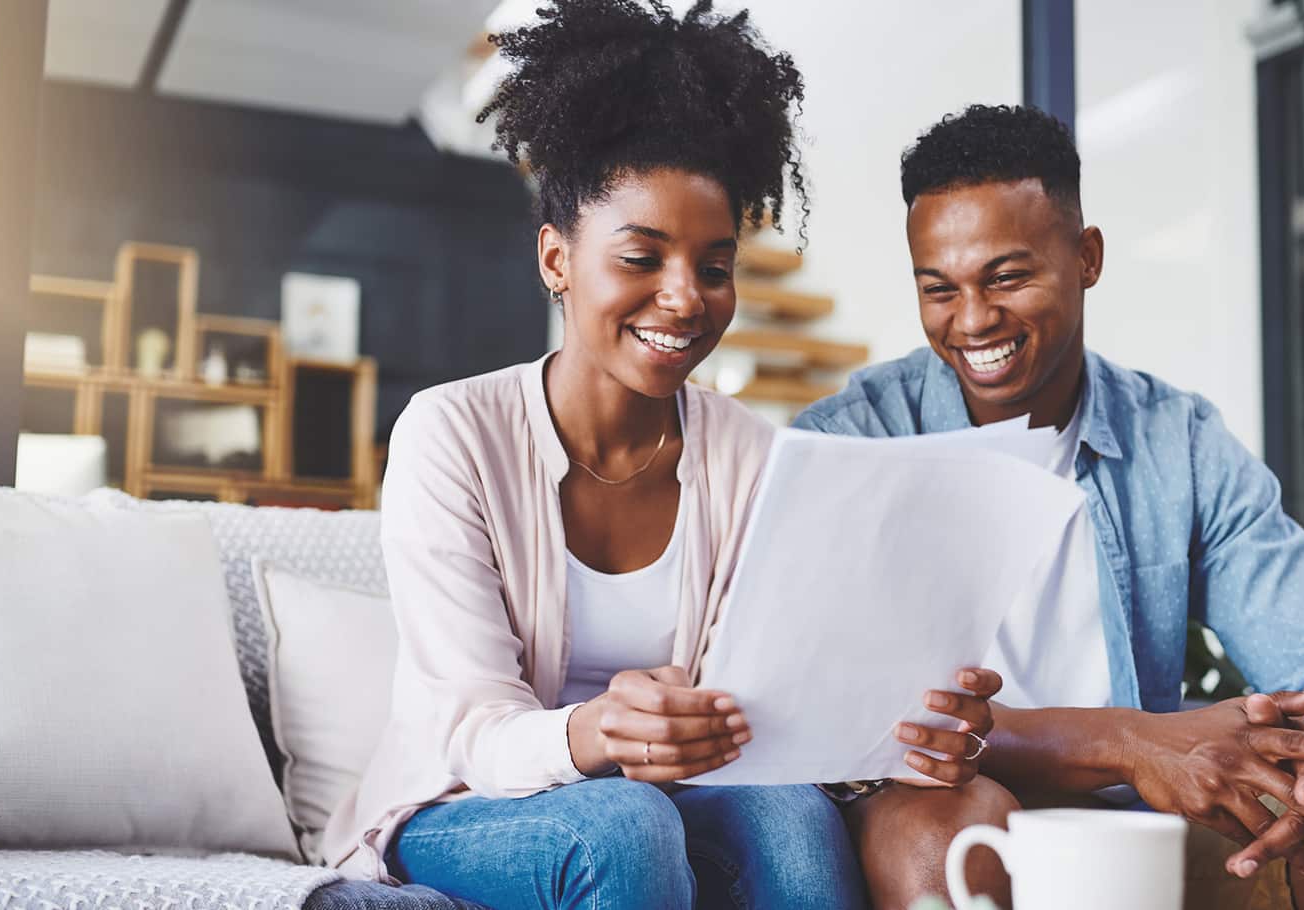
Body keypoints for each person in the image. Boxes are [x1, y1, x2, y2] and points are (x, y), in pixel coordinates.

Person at [321, 3, 996, 907]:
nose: (684, 299)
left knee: (791, 813)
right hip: (465, 803)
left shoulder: (755, 459)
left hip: (679, 793)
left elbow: (776, 705)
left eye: (714, 267)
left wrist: (904, 728)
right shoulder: (451, 434)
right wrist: (600, 733)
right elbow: (471, 726)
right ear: (558, 258)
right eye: (642, 256)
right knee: (625, 823)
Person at [794, 104, 1304, 910]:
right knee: (949, 828)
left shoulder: (1175, 440)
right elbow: (872, 718)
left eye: (1008, 277)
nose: (973, 320)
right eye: (940, 289)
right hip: (948, 802)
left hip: (1134, 810)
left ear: (1087, 257)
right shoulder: (849, 443)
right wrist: (1130, 742)